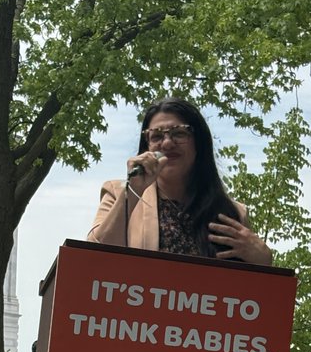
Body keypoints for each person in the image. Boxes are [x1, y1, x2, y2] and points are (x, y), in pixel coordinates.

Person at [88, 97, 272, 265]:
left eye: (178, 134)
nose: (167, 144)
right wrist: (132, 192)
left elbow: (250, 292)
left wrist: (263, 259)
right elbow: (91, 260)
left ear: (198, 143)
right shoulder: (118, 193)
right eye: (157, 136)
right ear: (147, 148)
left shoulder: (233, 213)